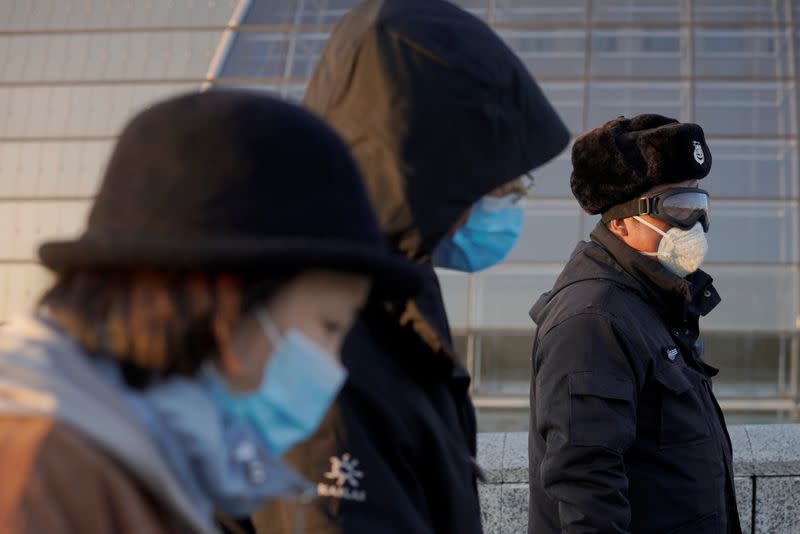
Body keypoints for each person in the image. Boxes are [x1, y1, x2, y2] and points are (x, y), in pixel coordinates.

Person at [0, 89, 423, 534]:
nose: (335, 366)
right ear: (220, 298)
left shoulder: (137, 463)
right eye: (329, 325)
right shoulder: (39, 477)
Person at [250, 1, 570, 533]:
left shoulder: (383, 300)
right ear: (430, 173)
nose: (512, 200)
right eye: (502, 182)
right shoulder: (320, 345)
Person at [527, 114, 741, 533]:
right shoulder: (593, 317)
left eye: (699, 206)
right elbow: (585, 488)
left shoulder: (651, 301)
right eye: (677, 208)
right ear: (621, 220)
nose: (693, 224)